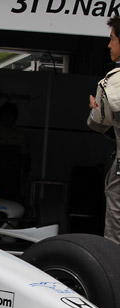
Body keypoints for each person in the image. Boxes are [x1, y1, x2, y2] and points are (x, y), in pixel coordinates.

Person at [88, 16, 120, 244]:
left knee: (115, 234)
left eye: (112, 39)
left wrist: (94, 109)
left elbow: (100, 122)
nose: (109, 45)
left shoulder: (113, 81)